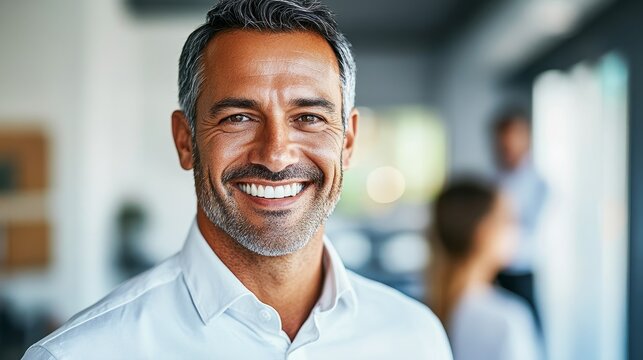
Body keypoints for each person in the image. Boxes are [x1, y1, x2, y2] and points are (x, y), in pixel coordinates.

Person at [23, 1, 452, 359]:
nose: (276, 153)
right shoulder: (78, 354)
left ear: (348, 141)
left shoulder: (416, 339)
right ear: (185, 140)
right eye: (239, 118)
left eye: (309, 118)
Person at [427, 180, 541, 360]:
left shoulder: (434, 310)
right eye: (509, 220)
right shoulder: (507, 320)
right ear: (483, 232)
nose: (518, 230)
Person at [492, 109, 547, 330]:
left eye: (513, 138)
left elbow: (530, 234)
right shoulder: (494, 179)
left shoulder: (539, 185)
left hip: (522, 272)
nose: (508, 146)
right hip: (495, 273)